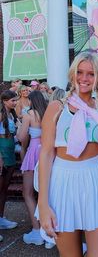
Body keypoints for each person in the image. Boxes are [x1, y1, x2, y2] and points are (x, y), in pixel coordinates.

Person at [37, 52, 98, 257]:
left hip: (97, 179)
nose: (84, 78)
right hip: (62, 181)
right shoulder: (56, 107)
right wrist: (43, 204)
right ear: (72, 74)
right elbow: (45, 154)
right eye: (79, 72)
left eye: (90, 73)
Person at [16, 90, 48, 246]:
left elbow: (21, 138)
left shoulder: (29, 115)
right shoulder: (48, 113)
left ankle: (37, 231)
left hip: (34, 152)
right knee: (45, 192)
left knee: (27, 192)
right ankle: (47, 229)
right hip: (47, 153)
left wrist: (20, 126)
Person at [0, 90, 18, 232]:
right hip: (3, 153)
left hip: (10, 152)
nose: (15, 102)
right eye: (13, 100)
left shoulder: (11, 114)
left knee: (5, 188)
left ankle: (1, 218)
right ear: (5, 101)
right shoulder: (1, 114)